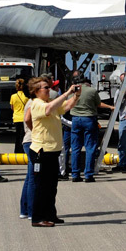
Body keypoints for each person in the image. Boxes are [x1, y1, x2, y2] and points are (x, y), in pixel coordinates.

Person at [24, 76, 81, 227]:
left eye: (49, 87)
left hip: (52, 150)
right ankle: (37, 217)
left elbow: (66, 107)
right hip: (41, 150)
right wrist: (67, 92)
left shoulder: (48, 102)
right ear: (36, 91)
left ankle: (50, 214)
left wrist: (76, 96)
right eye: (46, 88)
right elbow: (49, 110)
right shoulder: (36, 103)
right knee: (40, 186)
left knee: (51, 186)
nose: (49, 90)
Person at [70, 76, 114, 182]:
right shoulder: (92, 90)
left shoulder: (72, 90)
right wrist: (110, 107)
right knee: (90, 147)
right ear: (87, 83)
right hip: (89, 119)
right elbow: (98, 104)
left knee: (75, 148)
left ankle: (75, 174)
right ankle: (88, 175)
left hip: (75, 119)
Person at [111, 73, 126, 174]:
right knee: (122, 143)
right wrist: (123, 97)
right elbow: (116, 106)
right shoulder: (118, 91)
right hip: (123, 119)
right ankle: (122, 164)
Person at [10, 78, 30, 154]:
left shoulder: (13, 96)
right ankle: (23, 150)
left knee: (17, 135)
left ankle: (17, 150)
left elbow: (12, 107)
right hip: (24, 117)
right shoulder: (26, 97)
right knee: (24, 135)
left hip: (16, 117)